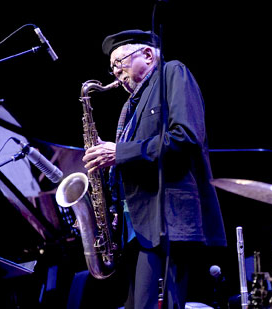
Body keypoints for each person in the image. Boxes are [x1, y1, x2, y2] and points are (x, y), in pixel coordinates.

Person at [82, 29, 227, 309]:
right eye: (112, 68)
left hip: (165, 222)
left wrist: (119, 151)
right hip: (137, 229)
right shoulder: (131, 107)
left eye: (119, 63)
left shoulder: (172, 73)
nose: (115, 74)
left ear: (147, 55)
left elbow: (186, 137)